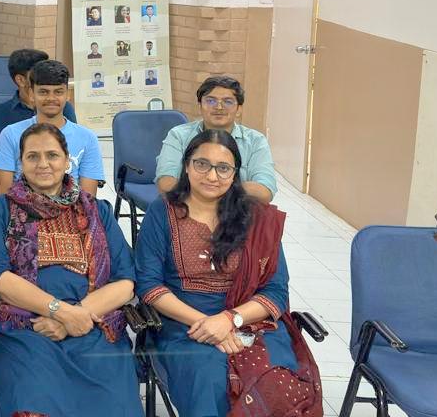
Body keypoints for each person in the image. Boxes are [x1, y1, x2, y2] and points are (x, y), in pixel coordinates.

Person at [135, 130, 322, 417]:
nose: (212, 176)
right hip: (183, 324)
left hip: (249, 320)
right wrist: (206, 324)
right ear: (186, 166)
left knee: (274, 380)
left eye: (223, 168)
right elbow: (149, 285)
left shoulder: (256, 218)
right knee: (208, 378)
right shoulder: (162, 212)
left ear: (235, 174)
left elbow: (275, 291)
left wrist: (228, 319)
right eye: (202, 164)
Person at [0, 123, 140, 417]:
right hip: (23, 329)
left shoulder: (97, 211)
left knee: (114, 403)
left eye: (52, 155)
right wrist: (59, 311)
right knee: (34, 399)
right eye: (32, 156)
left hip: (93, 326)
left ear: (67, 162)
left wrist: (75, 316)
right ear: (21, 163)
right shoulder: (0, 211)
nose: (43, 164)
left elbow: (126, 282)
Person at [0, 60, 103, 198]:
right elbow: (2, 198)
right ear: (31, 94)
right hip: (20, 209)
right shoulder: (10, 134)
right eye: (43, 92)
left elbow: (88, 200)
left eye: (58, 92)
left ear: (67, 95)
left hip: (72, 210)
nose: (51, 98)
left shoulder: (87, 138)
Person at [155, 76, 277, 203]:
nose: (219, 107)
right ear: (200, 106)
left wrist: (211, 188)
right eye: (211, 101)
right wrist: (220, 188)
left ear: (239, 109)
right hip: (187, 207)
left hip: (237, 210)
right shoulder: (179, 135)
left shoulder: (255, 141)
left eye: (227, 102)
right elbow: (166, 184)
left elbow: (264, 192)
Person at [0, 48, 76, 148]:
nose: (46, 77)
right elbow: (2, 151)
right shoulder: (2, 112)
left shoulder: (62, 107)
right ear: (20, 80)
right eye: (38, 73)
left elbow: (74, 144)